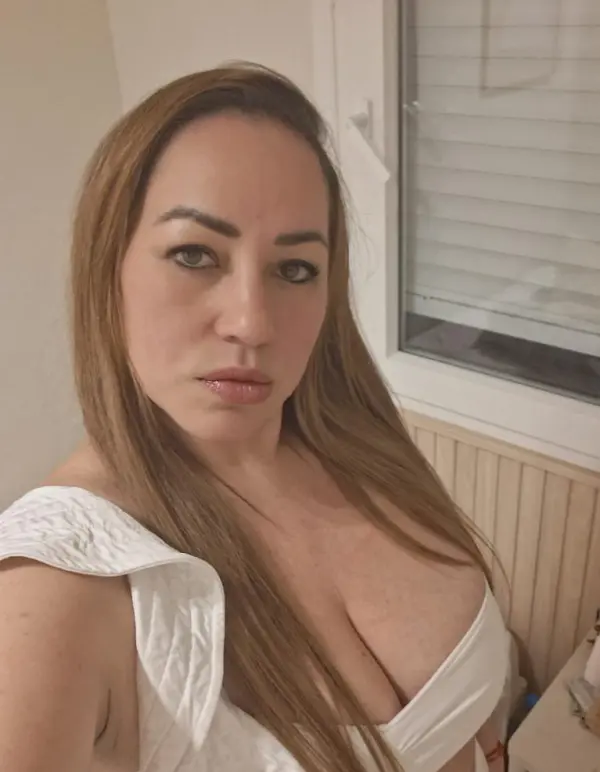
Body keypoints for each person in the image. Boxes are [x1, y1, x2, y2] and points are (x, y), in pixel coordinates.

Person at [0, 64, 509, 772]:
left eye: (295, 269)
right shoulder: (53, 592)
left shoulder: (355, 437)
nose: (253, 323)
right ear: (106, 272)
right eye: (194, 255)